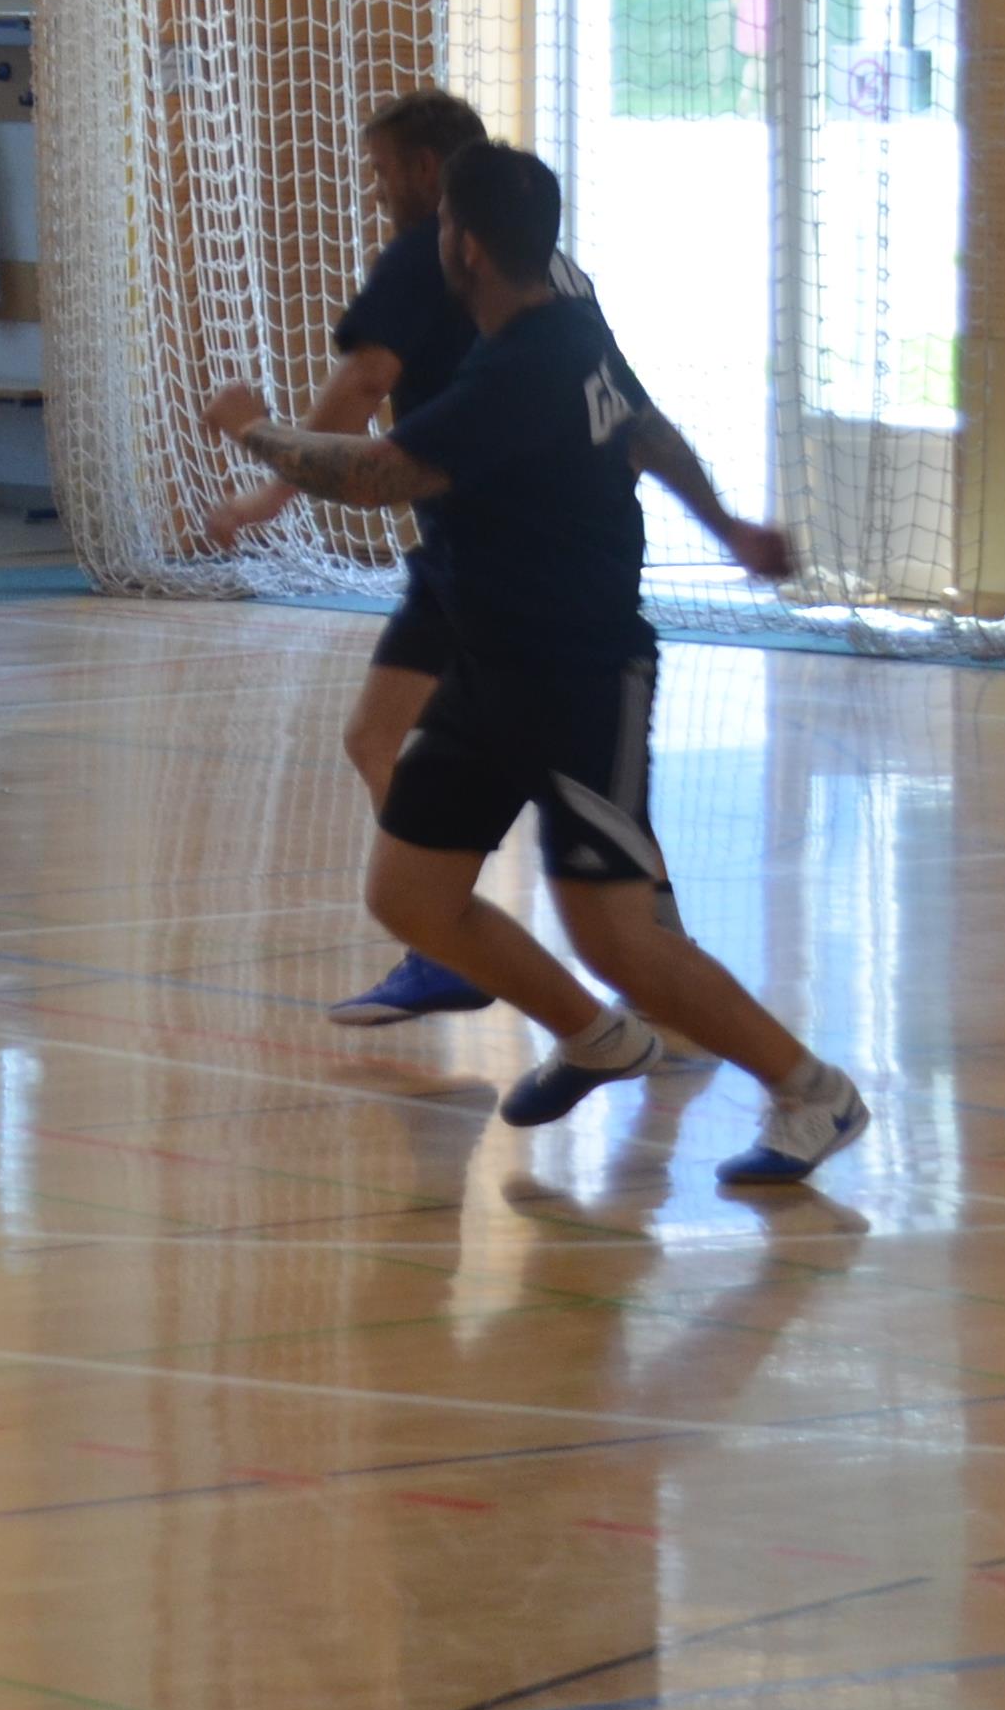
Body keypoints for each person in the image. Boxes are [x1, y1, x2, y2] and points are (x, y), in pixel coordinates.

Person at [207, 145, 868, 1190]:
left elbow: (374, 476)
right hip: (488, 667)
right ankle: (596, 1038)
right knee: (409, 894)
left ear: (463, 245)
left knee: (617, 938)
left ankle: (811, 1091)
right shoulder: (565, 327)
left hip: (577, 680)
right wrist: (730, 527)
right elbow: (650, 432)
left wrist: (251, 429)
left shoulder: (519, 370)